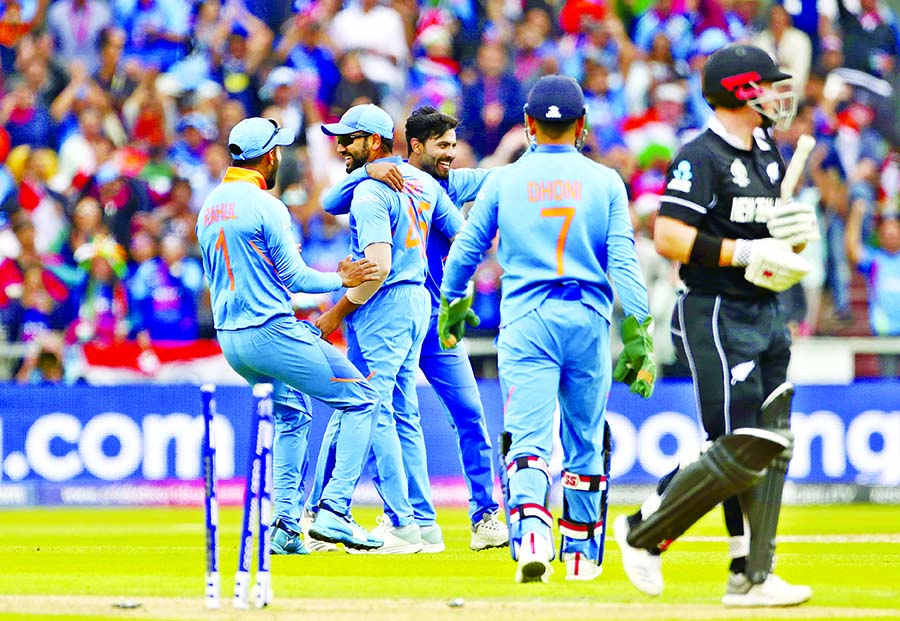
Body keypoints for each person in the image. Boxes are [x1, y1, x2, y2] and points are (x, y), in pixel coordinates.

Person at [612, 44, 816, 607]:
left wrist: (792, 240)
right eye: (768, 85)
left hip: (766, 309)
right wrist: (745, 253)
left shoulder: (769, 150)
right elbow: (670, 237)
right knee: (738, 443)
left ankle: (750, 573)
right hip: (716, 310)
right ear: (740, 91)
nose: (779, 95)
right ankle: (643, 531)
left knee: (768, 443)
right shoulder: (698, 156)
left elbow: (775, 237)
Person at [440, 74, 656, 583]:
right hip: (587, 319)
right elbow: (623, 260)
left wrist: (452, 302)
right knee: (584, 439)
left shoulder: (504, 179)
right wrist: (640, 332)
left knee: (528, 438)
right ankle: (580, 556)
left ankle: (532, 532)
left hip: (527, 321)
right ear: (581, 126)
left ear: (529, 125)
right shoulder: (606, 182)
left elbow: (467, 249)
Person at [318, 106, 509, 551]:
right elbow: (330, 203)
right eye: (442, 147)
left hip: (428, 316)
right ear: (416, 147)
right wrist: (373, 168)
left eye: (454, 147)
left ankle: (482, 516)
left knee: (467, 414)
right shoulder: (384, 179)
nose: (451, 156)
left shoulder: (448, 182)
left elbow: (496, 185)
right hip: (393, 311)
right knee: (375, 410)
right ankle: (366, 513)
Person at [195, 116, 384, 553]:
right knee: (362, 399)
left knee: (293, 415)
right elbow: (296, 277)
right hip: (269, 332)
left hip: (233, 340)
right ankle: (334, 512)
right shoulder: (266, 206)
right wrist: (342, 276)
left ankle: (282, 526)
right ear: (270, 156)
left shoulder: (210, 206)